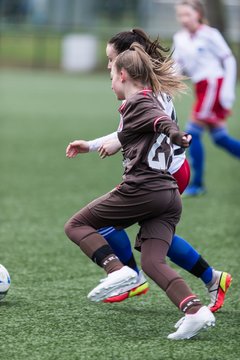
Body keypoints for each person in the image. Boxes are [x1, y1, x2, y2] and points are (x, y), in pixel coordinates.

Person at [67, 28, 232, 312]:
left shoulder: (144, 92)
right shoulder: (146, 85)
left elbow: (146, 126)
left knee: (108, 224)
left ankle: (131, 276)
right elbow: (129, 131)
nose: (109, 65)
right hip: (170, 168)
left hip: (166, 171)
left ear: (127, 60)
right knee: (154, 234)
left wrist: (114, 142)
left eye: (111, 59)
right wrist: (96, 144)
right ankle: (210, 278)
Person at [173, 0, 240, 196]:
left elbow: (228, 59)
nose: (184, 19)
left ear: (198, 14)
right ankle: (197, 184)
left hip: (213, 85)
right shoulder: (180, 38)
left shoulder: (210, 34)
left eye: (188, 14)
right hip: (201, 88)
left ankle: (197, 184)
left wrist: (228, 90)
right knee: (220, 138)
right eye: (180, 15)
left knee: (191, 133)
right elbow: (178, 65)